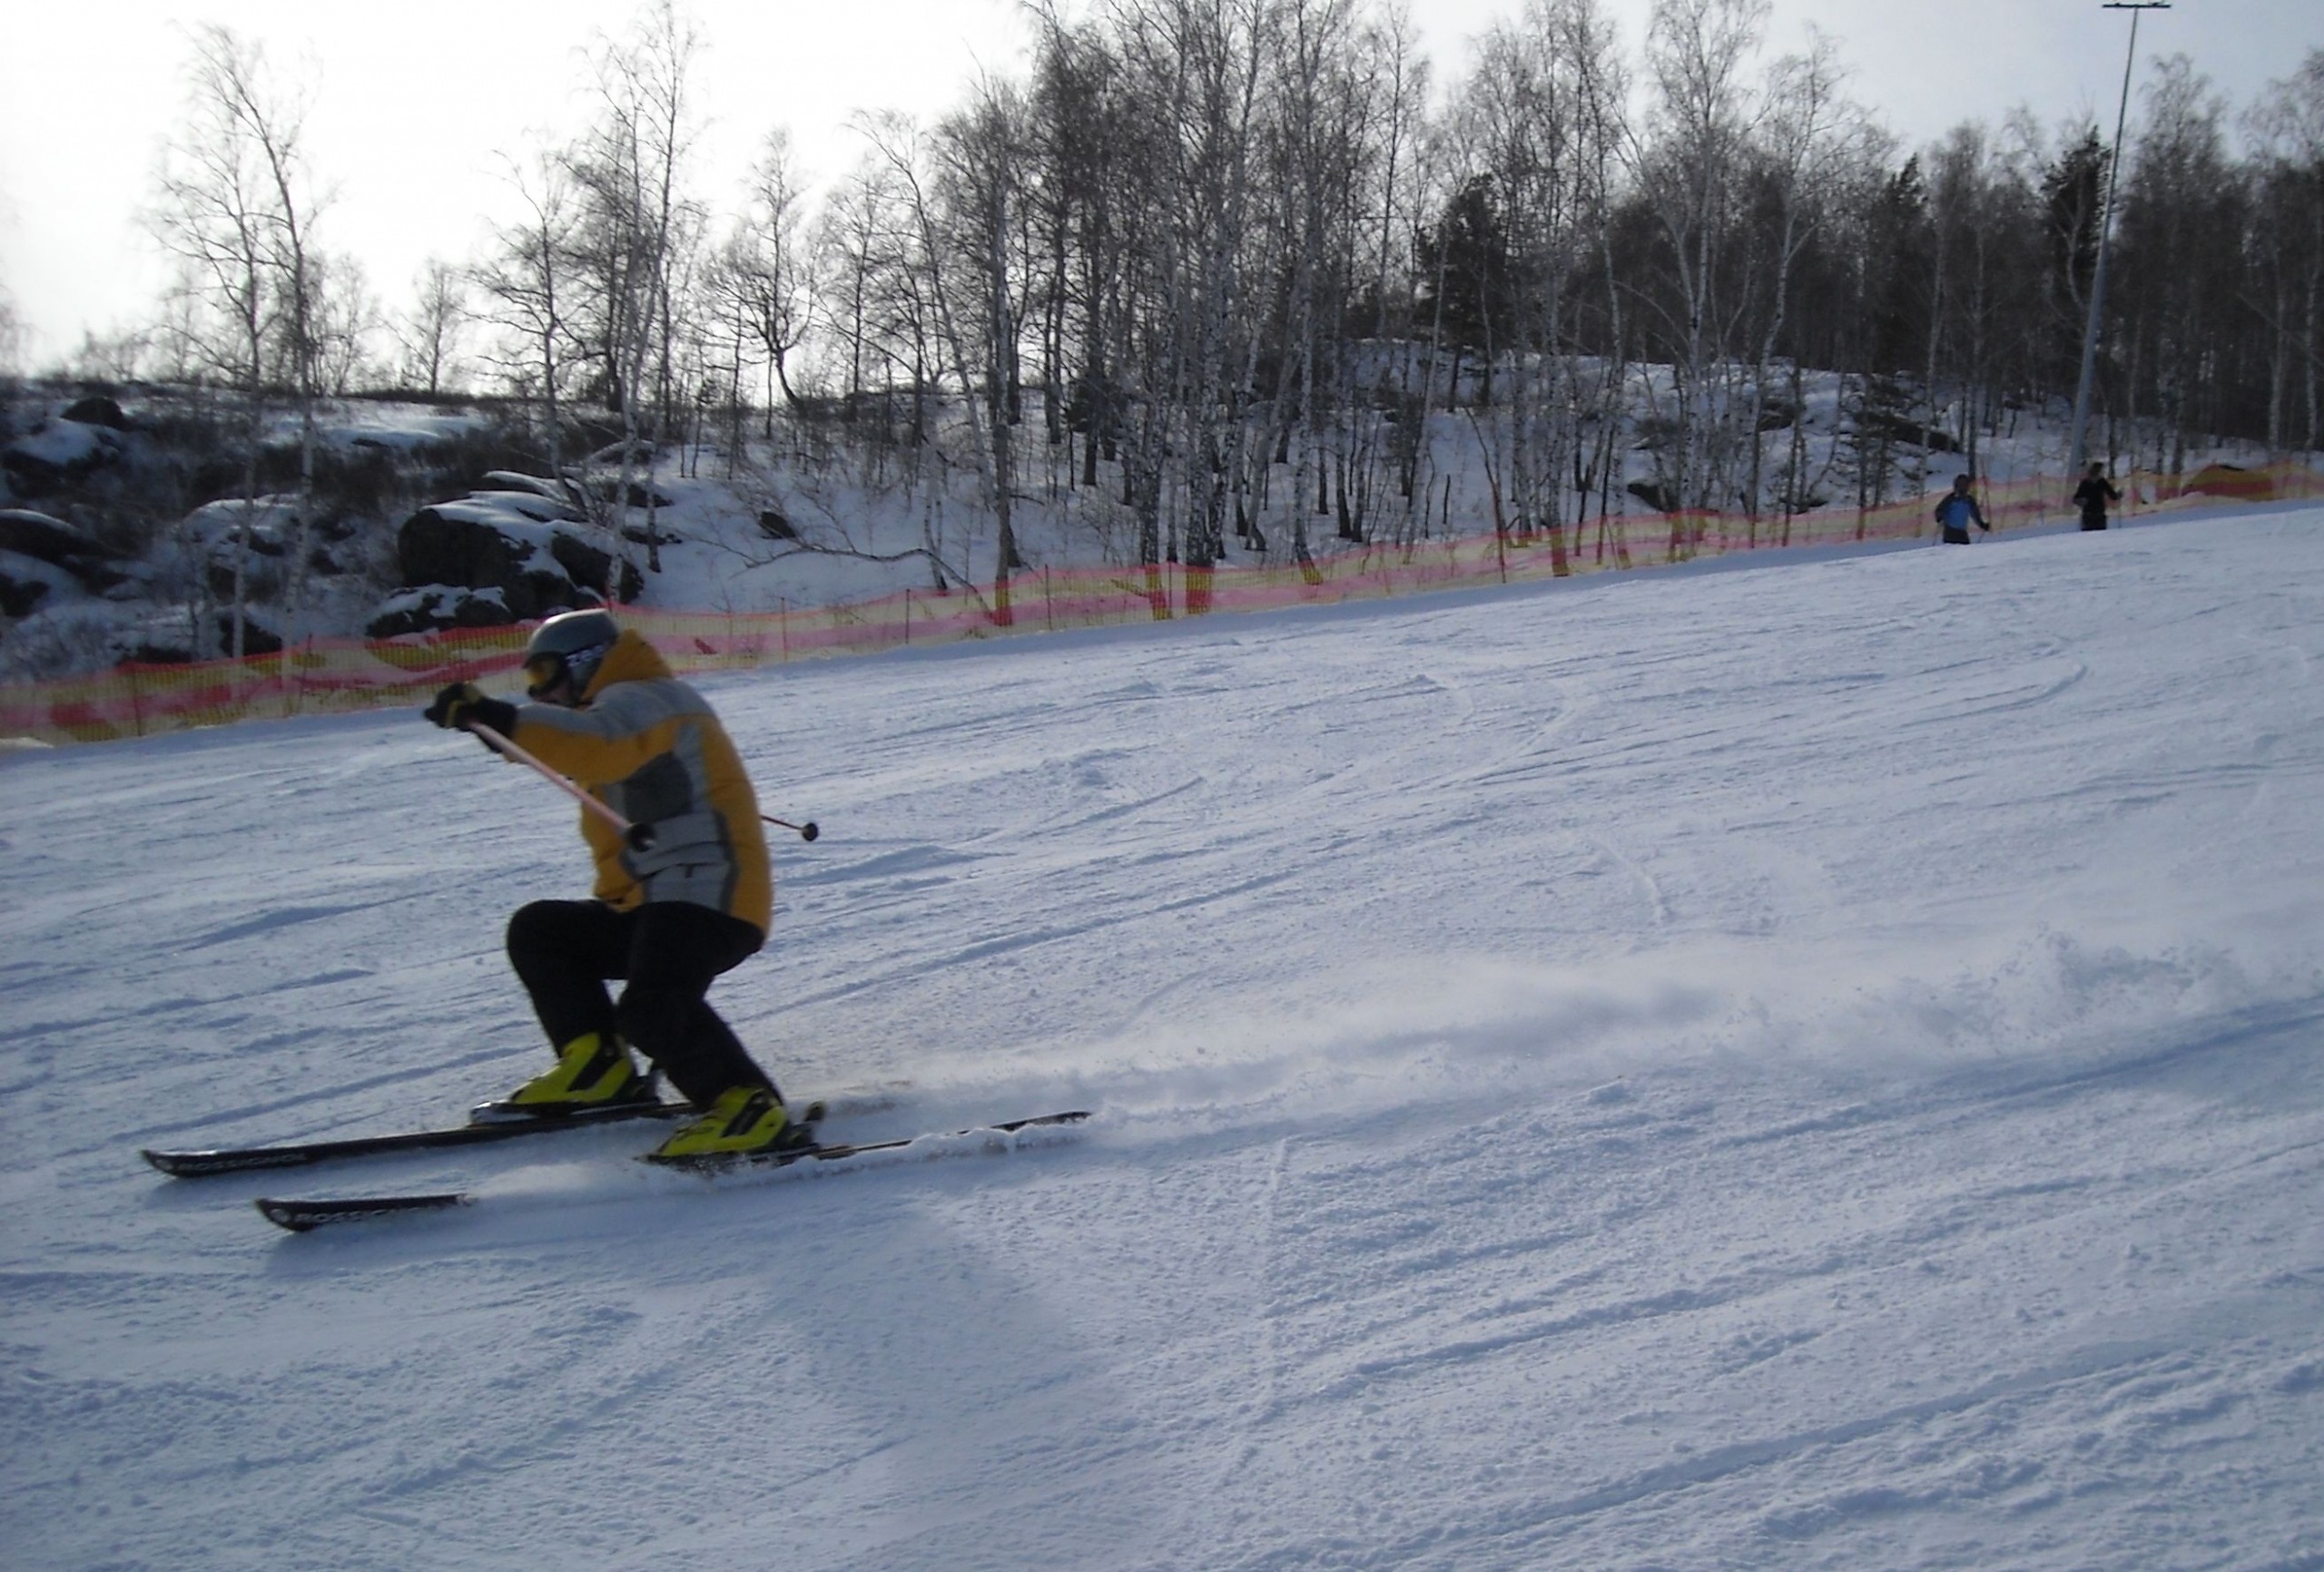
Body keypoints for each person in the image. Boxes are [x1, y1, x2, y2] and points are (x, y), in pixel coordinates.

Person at [424, 607, 798, 1161]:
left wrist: (504, 719)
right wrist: (504, 729)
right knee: (543, 932)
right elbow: (584, 746)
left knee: (651, 1006)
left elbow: (598, 742)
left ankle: (746, 1107)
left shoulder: (645, 698)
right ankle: (599, 1068)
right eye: (532, 680)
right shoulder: (622, 704)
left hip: (711, 894)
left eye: (545, 675)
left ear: (585, 662)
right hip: (656, 900)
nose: (540, 691)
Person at [1934, 473, 1991, 545]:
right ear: (1956, 486)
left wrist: (1982, 525)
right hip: (1950, 531)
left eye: (1965, 485)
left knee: (1965, 550)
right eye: (1960, 486)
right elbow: (1939, 509)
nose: (1963, 488)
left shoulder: (1969, 500)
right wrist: (1939, 518)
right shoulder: (1951, 499)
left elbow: (1975, 514)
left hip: (1962, 532)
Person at [2073, 462, 2123, 531]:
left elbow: (2112, 495)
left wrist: (2118, 495)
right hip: (2092, 514)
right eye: (2102, 471)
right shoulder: (2088, 482)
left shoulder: (2099, 482)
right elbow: (2076, 498)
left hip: (2095, 513)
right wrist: (2081, 501)